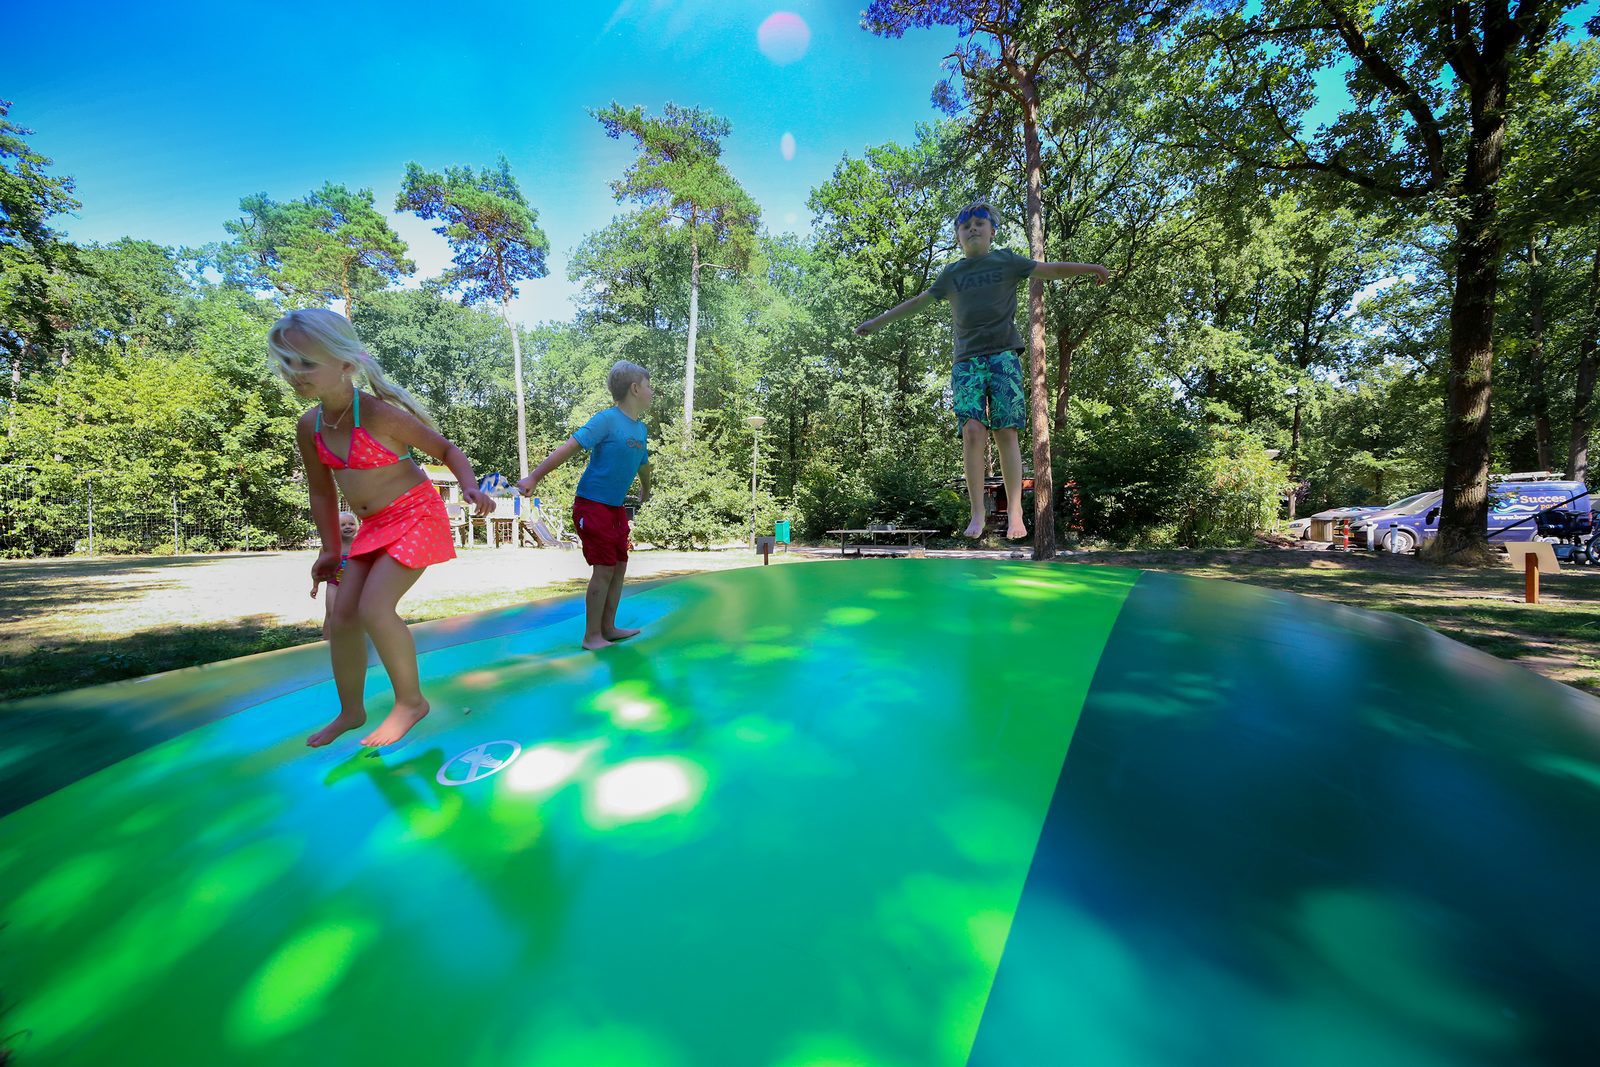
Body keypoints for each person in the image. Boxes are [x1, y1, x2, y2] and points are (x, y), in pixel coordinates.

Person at [269, 308, 494, 748]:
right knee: (342, 615)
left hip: (416, 514)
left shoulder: (377, 415)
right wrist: (329, 549)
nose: (295, 374)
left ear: (346, 364)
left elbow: (447, 449)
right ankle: (351, 711)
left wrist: (469, 487)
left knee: (375, 607)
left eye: (307, 363)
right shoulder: (309, 425)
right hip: (373, 526)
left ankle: (410, 702)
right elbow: (322, 492)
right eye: (288, 363)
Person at [855, 201, 1108, 540]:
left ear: (992, 230)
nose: (972, 228)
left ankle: (1016, 509)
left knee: (1006, 431)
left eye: (979, 223)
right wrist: (877, 321)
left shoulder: (1007, 261)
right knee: (973, 431)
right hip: (967, 362)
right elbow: (916, 302)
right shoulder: (952, 274)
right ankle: (977, 511)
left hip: (1003, 356)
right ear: (958, 236)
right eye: (965, 226)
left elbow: (1050, 270)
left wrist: (1090, 267)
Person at [517, 361, 653, 650]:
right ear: (635, 388)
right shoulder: (606, 420)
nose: (652, 391)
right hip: (592, 505)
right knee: (604, 568)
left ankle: (608, 627)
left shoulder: (641, 430)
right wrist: (534, 476)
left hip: (615, 509)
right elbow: (569, 448)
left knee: (619, 566)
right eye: (649, 385)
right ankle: (592, 636)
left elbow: (644, 465)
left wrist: (646, 488)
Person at [315, 509, 360, 641]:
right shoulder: (329, 548)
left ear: (356, 526)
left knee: (356, 614)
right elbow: (318, 569)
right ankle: (327, 642)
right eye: (343, 525)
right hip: (334, 584)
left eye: (351, 524)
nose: (347, 527)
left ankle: (354, 639)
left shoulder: (360, 544)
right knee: (331, 612)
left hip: (355, 585)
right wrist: (315, 586)